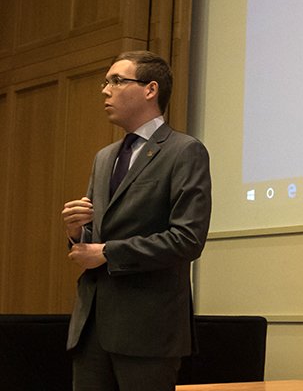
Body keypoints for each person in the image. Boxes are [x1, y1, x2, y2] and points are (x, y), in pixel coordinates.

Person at [61, 50, 212, 391]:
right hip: (91, 328)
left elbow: (188, 239)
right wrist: (76, 232)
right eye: (106, 81)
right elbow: (96, 236)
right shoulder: (104, 157)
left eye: (117, 80)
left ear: (150, 89)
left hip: (148, 331)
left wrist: (108, 253)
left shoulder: (184, 151)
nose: (105, 89)